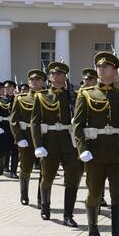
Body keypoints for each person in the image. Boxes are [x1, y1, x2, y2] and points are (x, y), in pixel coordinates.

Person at [73, 52, 119, 236]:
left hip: (118, 152)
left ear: (115, 71)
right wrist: (82, 148)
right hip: (95, 152)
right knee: (94, 193)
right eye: (99, 66)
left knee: (118, 195)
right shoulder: (87, 94)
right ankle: (93, 226)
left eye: (106, 66)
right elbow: (77, 125)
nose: (101, 69)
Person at [31, 62, 83, 225]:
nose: (56, 76)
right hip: (49, 143)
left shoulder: (73, 96)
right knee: (47, 178)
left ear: (65, 76)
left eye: (60, 73)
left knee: (72, 180)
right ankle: (45, 207)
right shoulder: (41, 96)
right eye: (53, 73)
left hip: (69, 143)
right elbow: (35, 122)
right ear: (50, 77)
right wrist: (38, 144)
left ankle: (68, 215)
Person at [10, 70, 45, 205]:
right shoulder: (21, 98)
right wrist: (19, 138)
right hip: (26, 138)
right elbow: (13, 121)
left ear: (43, 82)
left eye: (38, 80)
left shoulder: (48, 98)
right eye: (32, 80)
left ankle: (41, 198)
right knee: (25, 168)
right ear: (29, 82)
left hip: (43, 139)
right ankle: (24, 194)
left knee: (44, 170)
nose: (35, 82)